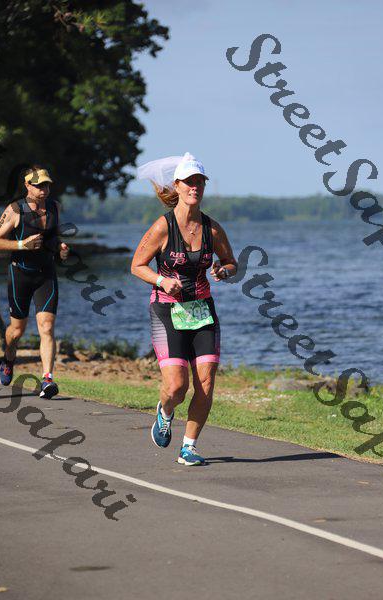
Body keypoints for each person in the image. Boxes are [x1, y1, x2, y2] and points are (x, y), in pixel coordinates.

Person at [131, 152, 237, 465]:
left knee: (206, 382)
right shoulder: (162, 227)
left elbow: (232, 263)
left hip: (202, 310)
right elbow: (137, 265)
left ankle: (188, 447)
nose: (195, 187)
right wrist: (162, 280)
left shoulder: (212, 229)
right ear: (176, 186)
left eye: (199, 182)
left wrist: (223, 271)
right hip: (167, 311)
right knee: (177, 386)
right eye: (189, 182)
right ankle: (165, 411)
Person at [0, 165, 69, 398]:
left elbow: (53, 237)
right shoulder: (15, 210)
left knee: (46, 326)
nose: (43, 190)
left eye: (46, 185)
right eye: (38, 185)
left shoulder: (55, 207)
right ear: (27, 185)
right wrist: (21, 245)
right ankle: (8, 358)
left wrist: (61, 248)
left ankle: (47, 379)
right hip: (20, 274)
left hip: (46, 274)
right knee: (17, 331)